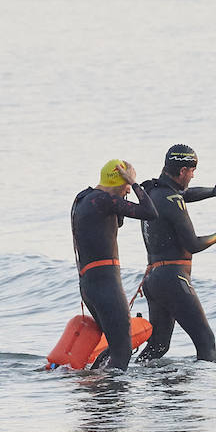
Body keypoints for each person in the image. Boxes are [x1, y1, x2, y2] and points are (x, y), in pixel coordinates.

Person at [136, 144, 216, 362]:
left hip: (154, 279)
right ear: (182, 171)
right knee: (205, 340)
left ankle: (148, 387)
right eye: (192, 171)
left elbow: (185, 194)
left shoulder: (153, 192)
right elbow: (192, 244)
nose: (193, 176)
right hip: (173, 278)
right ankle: (205, 395)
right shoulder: (172, 200)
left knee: (158, 347)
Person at [69, 158, 159, 369]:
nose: (128, 190)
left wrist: (125, 189)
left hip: (89, 285)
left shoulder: (83, 199)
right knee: (123, 351)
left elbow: (116, 221)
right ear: (120, 180)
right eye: (127, 185)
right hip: (105, 285)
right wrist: (135, 184)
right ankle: (113, 400)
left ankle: (99, 389)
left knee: (115, 347)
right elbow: (150, 213)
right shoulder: (104, 201)